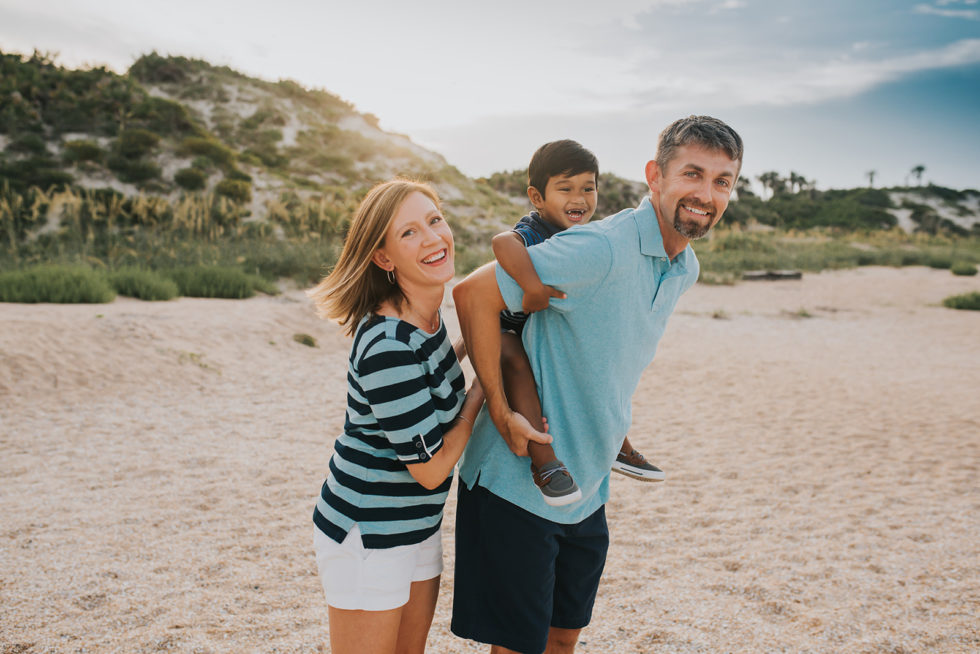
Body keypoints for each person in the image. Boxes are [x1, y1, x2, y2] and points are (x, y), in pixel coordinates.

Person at [451, 116, 744, 654]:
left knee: (563, 639)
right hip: (516, 484)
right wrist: (496, 407)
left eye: (722, 181)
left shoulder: (686, 268)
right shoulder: (603, 247)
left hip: (587, 486)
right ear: (655, 176)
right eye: (693, 174)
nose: (706, 194)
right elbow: (472, 293)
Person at [306, 179, 503, 654]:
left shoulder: (427, 320)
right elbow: (431, 468)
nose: (434, 238)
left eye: (435, 220)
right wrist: (483, 390)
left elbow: (432, 380)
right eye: (410, 233)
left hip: (416, 527)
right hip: (367, 531)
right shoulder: (387, 346)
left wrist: (479, 343)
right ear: (384, 258)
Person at [492, 139, 665, 507]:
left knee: (596, 355)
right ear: (537, 198)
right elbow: (502, 243)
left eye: (588, 188)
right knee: (515, 364)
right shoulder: (534, 228)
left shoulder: (589, 237)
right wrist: (531, 284)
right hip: (510, 328)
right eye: (566, 189)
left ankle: (616, 443)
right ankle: (545, 463)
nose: (580, 198)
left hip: (552, 328)